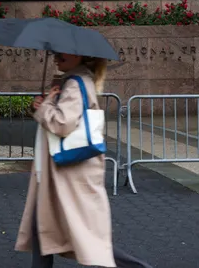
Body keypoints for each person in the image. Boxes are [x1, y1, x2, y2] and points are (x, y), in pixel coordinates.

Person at [15, 53, 153, 268]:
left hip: (67, 172)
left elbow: (62, 123)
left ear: (79, 55)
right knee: (43, 230)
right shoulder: (77, 80)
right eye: (55, 53)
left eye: (62, 53)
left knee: (85, 238)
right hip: (62, 171)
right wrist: (46, 103)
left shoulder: (74, 83)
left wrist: (44, 107)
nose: (56, 57)